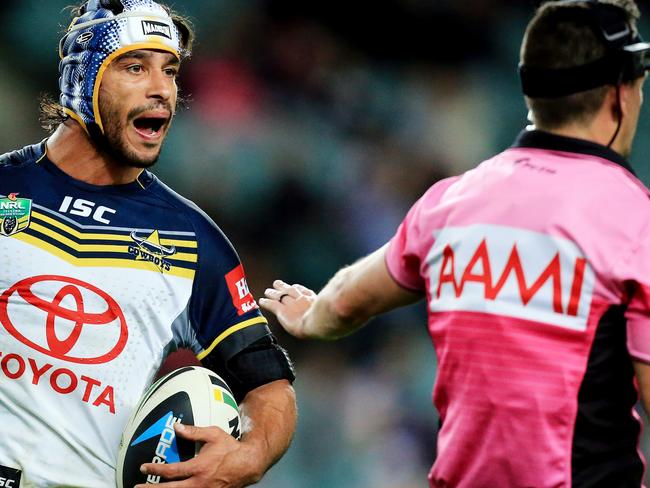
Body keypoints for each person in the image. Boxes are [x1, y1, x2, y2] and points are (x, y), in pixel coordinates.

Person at [260, 0, 650, 486]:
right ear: (621, 93)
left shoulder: (451, 203)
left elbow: (342, 303)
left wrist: (308, 316)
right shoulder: (635, 220)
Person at [0, 0, 296, 486]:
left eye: (171, 71)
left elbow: (268, 382)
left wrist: (251, 455)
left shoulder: (194, 240)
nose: (162, 90)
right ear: (82, 80)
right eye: (135, 67)